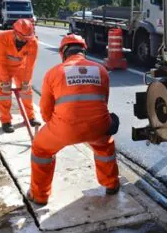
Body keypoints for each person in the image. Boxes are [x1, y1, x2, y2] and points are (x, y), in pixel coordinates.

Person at [27, 34, 120, 206]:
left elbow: (46, 112)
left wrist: (56, 126)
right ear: (84, 50)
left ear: (63, 52)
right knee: (105, 145)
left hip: (64, 129)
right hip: (97, 126)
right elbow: (102, 103)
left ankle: (40, 196)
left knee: (41, 149)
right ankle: (111, 184)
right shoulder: (101, 70)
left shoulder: (54, 73)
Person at [0, 18, 40, 133]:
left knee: (26, 92)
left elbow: (30, 65)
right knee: (4, 94)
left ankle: (30, 117)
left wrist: (25, 81)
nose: (24, 41)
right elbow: (0, 61)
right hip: (3, 68)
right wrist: (5, 81)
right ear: (14, 32)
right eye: (22, 38)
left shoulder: (33, 42)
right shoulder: (2, 38)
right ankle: (6, 121)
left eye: (27, 38)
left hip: (21, 67)